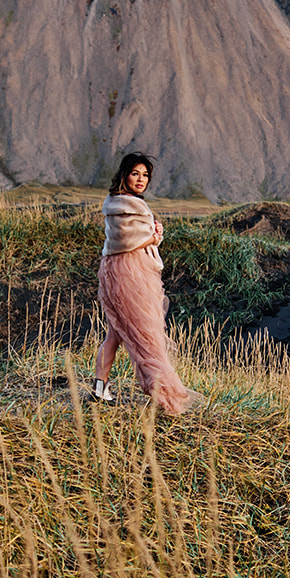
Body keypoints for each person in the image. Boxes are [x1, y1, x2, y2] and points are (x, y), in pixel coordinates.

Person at [92, 153, 203, 415]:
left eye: (145, 175)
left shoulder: (124, 203)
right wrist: (153, 237)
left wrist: (153, 235)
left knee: (117, 332)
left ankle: (100, 387)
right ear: (124, 175)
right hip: (127, 273)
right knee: (145, 332)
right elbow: (126, 240)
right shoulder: (122, 204)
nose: (141, 179)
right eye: (135, 173)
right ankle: (163, 391)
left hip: (126, 270)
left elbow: (136, 236)